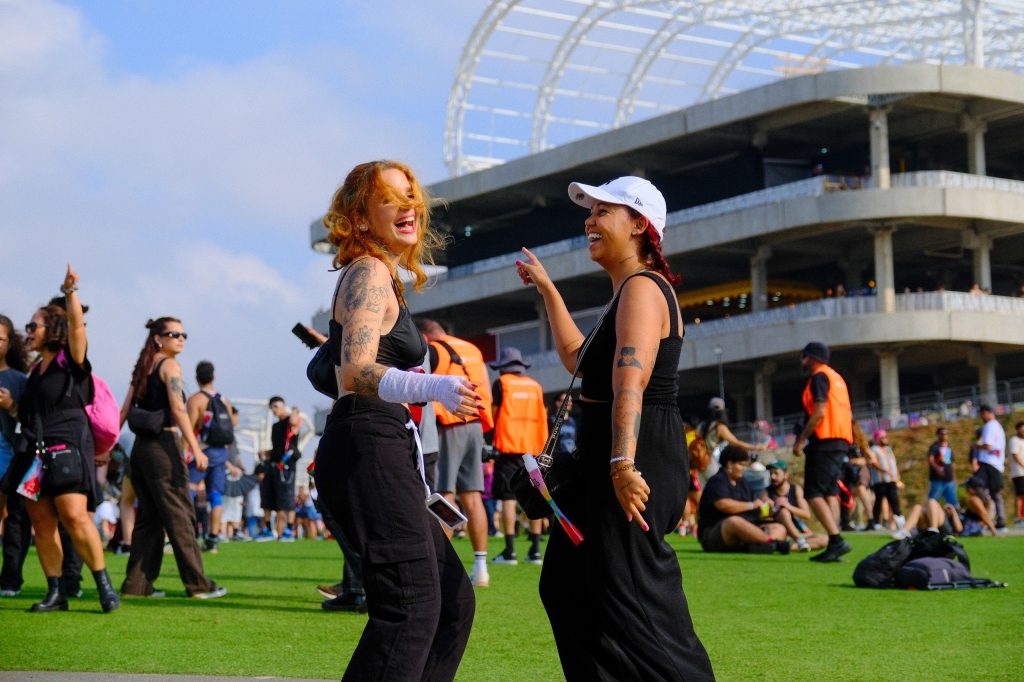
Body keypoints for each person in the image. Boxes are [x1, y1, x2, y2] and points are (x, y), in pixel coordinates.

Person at [517, 175, 713, 680]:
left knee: (633, 602)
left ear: (640, 225)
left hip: (633, 454)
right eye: (591, 210)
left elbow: (631, 379)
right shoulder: (625, 293)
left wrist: (622, 464)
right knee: (568, 585)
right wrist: (548, 289)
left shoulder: (644, 288)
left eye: (604, 210)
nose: (590, 219)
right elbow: (577, 359)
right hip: (610, 454)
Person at [313, 160, 476, 679]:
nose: (409, 208)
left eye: (412, 197)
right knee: (411, 606)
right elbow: (355, 370)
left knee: (451, 602)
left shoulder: (383, 275)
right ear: (361, 218)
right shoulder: (368, 272)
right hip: (369, 440)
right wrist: (434, 386)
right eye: (391, 199)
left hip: (386, 442)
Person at [0, 266, 119, 612]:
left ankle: (104, 586)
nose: (28, 332)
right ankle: (56, 592)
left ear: (52, 329)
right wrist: (12, 406)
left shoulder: (71, 361)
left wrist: (70, 292)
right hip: (33, 453)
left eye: (33, 326)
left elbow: (77, 328)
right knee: (41, 523)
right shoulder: (35, 370)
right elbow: (29, 414)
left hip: (66, 448)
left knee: (74, 516)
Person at [119, 316, 225, 599]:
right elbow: (178, 410)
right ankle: (198, 585)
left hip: (140, 450)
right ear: (158, 338)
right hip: (163, 447)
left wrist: (107, 446)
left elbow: (125, 409)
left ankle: (136, 586)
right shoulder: (170, 365)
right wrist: (196, 448)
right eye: (174, 334)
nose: (181, 339)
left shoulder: (143, 367)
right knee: (180, 516)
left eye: (183, 335)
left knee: (150, 519)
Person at [418, 318, 495, 588]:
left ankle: (440, 568)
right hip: (475, 424)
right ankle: (481, 567)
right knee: (473, 496)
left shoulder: (433, 350)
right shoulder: (472, 349)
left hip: (449, 423)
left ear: (424, 336)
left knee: (445, 494)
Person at [793, 341, 853, 562]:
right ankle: (833, 540)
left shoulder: (819, 377)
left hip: (824, 441)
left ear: (811, 358)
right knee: (829, 492)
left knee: (813, 493)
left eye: (804, 356)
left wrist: (801, 439)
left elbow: (819, 411)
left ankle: (836, 540)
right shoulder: (836, 377)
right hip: (840, 440)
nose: (802, 361)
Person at [488, 347, 548, 566]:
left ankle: (510, 551)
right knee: (536, 494)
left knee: (507, 498)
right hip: (534, 448)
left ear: (503, 368)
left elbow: (493, 415)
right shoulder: (535, 386)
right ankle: (535, 551)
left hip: (509, 447)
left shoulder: (501, 384)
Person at [697, 446, 789, 554]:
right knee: (734, 521)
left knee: (779, 528)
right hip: (715, 533)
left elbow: (753, 509)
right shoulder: (717, 481)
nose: (744, 468)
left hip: (746, 529)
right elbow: (723, 505)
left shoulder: (743, 483)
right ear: (730, 464)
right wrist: (752, 505)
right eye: (741, 464)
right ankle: (773, 543)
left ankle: (761, 546)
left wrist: (764, 509)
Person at [186, 360, 237, 552]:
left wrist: (183, 453)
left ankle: (185, 535)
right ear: (213, 377)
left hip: (201, 452)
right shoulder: (224, 400)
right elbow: (231, 425)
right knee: (216, 496)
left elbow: (189, 428)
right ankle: (213, 539)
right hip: (221, 453)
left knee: (188, 490)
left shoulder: (195, 400)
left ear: (196, 378)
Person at [258, 398, 303, 542]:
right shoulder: (276, 426)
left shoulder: (291, 421)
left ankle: (289, 531)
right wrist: (267, 453)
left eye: (276, 406)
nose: (274, 410)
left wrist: (292, 411)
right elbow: (277, 447)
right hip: (273, 465)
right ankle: (267, 530)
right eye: (272, 407)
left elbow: (295, 420)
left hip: (287, 466)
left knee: (287, 499)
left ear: (283, 406)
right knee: (268, 498)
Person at [765, 460, 825, 552]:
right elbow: (763, 515)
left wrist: (788, 506)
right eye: (771, 473)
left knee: (825, 540)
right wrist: (773, 508)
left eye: (776, 473)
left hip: (796, 529)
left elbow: (806, 514)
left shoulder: (796, 489)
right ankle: (799, 542)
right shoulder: (766, 492)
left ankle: (786, 546)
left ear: (786, 475)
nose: (772, 477)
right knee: (784, 512)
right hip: (779, 530)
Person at [699, 396, 766, 475]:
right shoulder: (720, 427)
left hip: (702, 463)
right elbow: (736, 443)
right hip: (714, 464)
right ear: (723, 412)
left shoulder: (702, 426)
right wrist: (755, 447)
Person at [975, 404, 1007, 532]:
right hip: (996, 464)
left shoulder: (989, 425)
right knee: (995, 493)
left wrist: (976, 446)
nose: (981, 417)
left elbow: (988, 446)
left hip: (989, 463)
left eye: (981, 415)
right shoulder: (997, 425)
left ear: (985, 413)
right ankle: (999, 520)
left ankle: (985, 518)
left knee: (976, 487)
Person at [868, 429, 904, 531]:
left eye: (885, 437)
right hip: (880, 481)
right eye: (882, 437)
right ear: (877, 439)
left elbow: (893, 463)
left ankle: (900, 521)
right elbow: (873, 463)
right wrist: (884, 470)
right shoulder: (873, 449)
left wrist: (897, 476)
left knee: (894, 500)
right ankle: (875, 522)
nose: (885, 439)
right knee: (878, 501)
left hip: (891, 480)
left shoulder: (888, 449)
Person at [926, 427, 958, 508]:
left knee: (953, 503)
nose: (945, 435)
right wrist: (937, 470)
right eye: (942, 434)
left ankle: (956, 515)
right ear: (938, 435)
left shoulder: (949, 446)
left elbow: (952, 463)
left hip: (949, 479)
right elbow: (931, 460)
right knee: (932, 501)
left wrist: (954, 477)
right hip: (937, 479)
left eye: (946, 434)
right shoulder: (934, 446)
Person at [1010, 421, 1024, 527]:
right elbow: (1015, 455)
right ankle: (1018, 517)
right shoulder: (1014, 440)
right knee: (1020, 494)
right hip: (1019, 472)